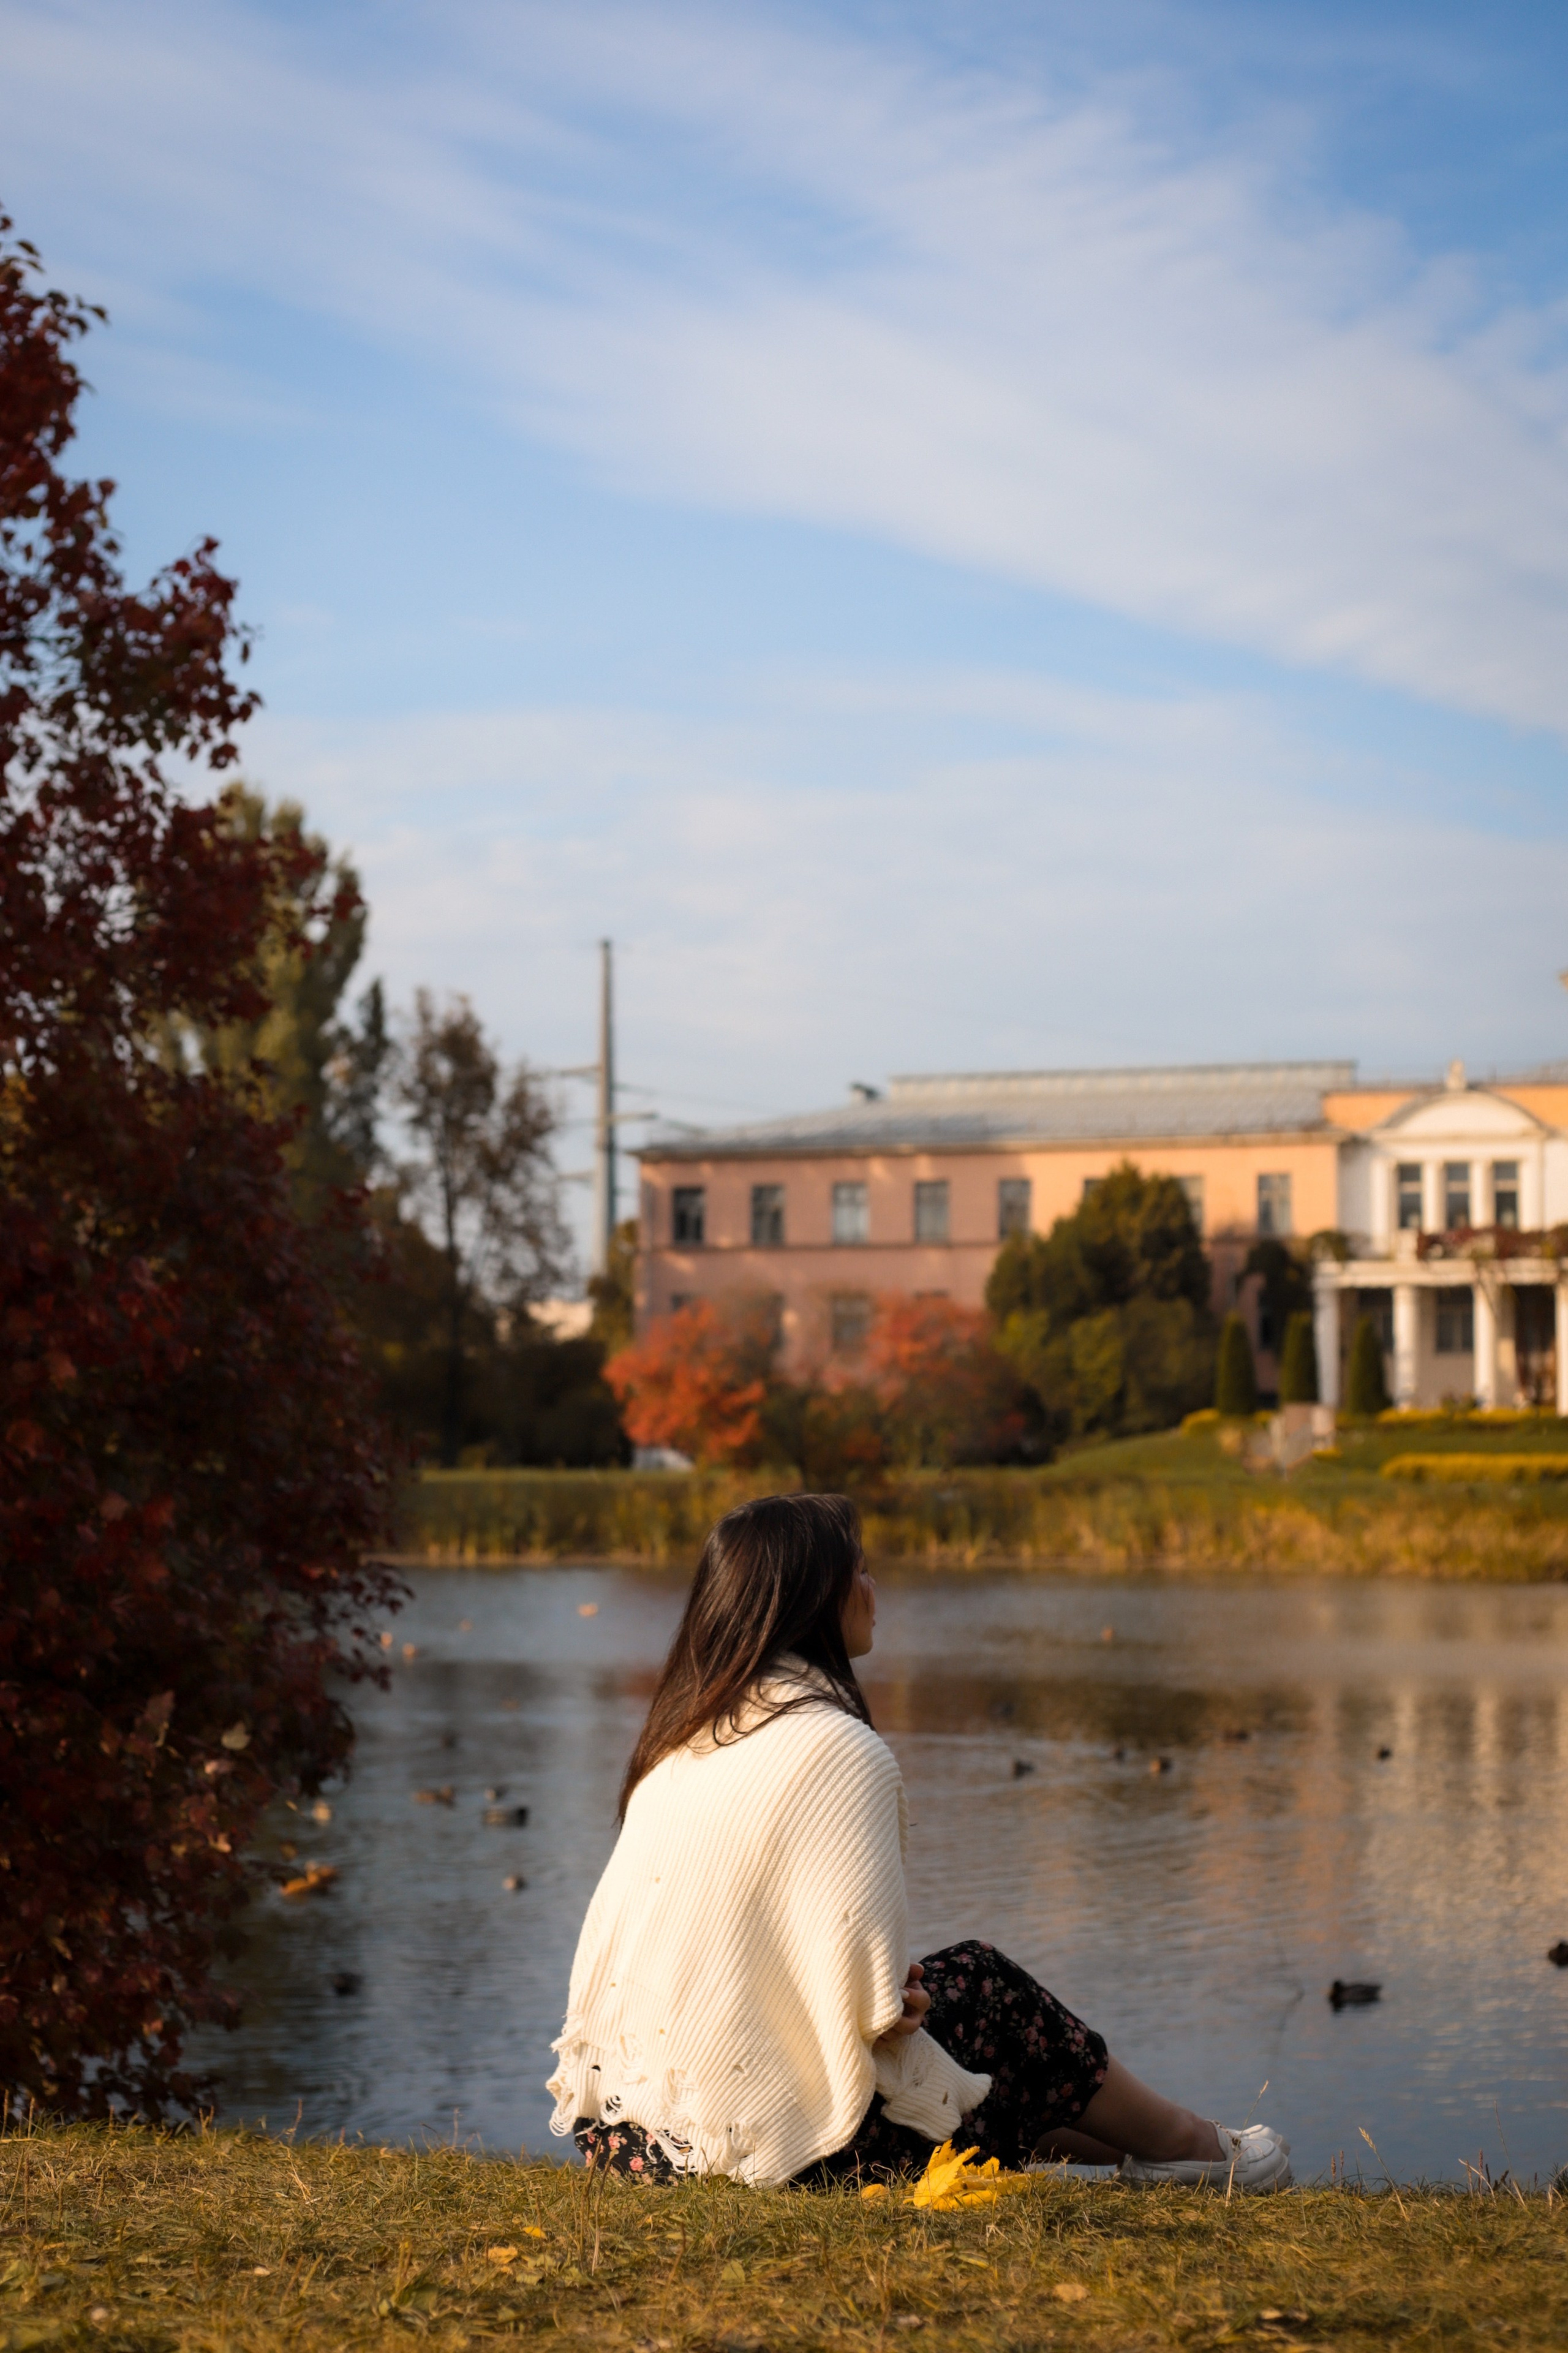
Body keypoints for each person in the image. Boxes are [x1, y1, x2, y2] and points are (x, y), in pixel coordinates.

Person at [548, 1492, 1291, 2192]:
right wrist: (894, 1997)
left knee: (962, 2041)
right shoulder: (836, 1747)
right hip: (754, 2155)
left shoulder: (683, 1739)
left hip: (625, 2145)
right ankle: (1191, 2145)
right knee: (987, 1988)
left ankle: (1173, 2152)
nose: (874, 1589)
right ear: (813, 1602)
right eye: (860, 1572)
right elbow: (876, 2014)